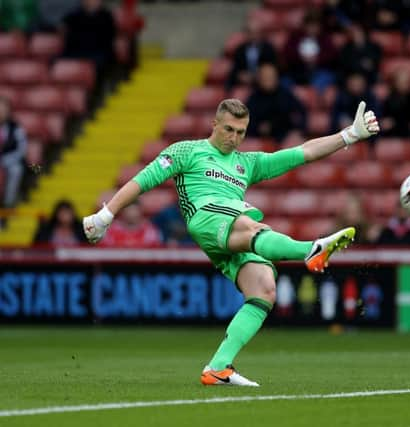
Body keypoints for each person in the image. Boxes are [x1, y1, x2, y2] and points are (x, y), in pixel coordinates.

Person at [83, 98, 379, 386]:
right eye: (228, 130)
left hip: (227, 235)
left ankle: (218, 367)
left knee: (265, 288)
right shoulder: (188, 151)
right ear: (215, 124)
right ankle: (309, 250)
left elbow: (303, 152)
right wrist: (105, 216)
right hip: (206, 218)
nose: (234, 138)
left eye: (241, 132)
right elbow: (142, 181)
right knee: (249, 221)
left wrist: (349, 135)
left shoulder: (247, 163)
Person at [246, 63, 307, 143]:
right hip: (260, 139)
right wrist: (259, 128)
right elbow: (247, 122)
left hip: (285, 136)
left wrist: (297, 130)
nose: (268, 80)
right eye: (265, 77)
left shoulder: (286, 95)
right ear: (259, 79)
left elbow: (300, 113)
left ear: (276, 77)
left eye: (271, 76)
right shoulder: (253, 98)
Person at [62, 0, 116, 77]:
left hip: (98, 54)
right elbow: (69, 40)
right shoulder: (73, 16)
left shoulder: (106, 16)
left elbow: (109, 40)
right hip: (76, 53)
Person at [226, 20, 277, 90]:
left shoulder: (268, 49)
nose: (253, 35)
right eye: (250, 32)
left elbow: (272, 67)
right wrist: (240, 76)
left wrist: (259, 75)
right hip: (244, 82)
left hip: (263, 81)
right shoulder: (240, 50)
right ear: (246, 34)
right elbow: (235, 69)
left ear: (261, 33)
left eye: (256, 32)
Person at [381, 68, 410, 142]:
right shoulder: (390, 97)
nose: (404, 84)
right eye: (401, 82)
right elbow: (387, 120)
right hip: (395, 131)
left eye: (406, 82)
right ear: (395, 83)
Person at [0, 96, 28, 208]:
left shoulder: (16, 128)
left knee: (21, 169)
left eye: (3, 109)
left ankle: (8, 203)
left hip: (11, 161)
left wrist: (6, 160)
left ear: (8, 111)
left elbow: (21, 149)